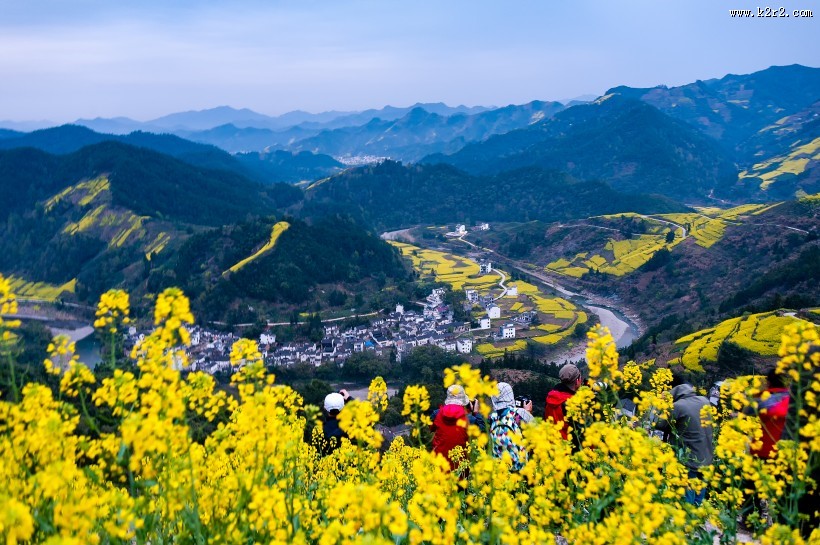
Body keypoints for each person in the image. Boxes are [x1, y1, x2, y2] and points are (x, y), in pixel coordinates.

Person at [657, 375, 714, 506]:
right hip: (707, 457)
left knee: (686, 500)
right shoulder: (704, 401)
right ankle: (697, 518)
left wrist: (662, 404)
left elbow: (659, 424)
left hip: (690, 460)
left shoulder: (677, 406)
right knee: (699, 495)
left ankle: (687, 522)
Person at [430, 384, 486, 471]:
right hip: (461, 470)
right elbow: (482, 429)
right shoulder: (469, 419)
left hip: (439, 469)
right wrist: (475, 412)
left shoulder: (436, 414)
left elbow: (430, 428)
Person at [489, 382, 533, 471]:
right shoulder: (518, 413)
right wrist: (527, 412)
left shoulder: (492, 417)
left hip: (498, 468)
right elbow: (536, 431)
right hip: (518, 468)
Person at [544, 363, 583, 440]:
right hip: (569, 447)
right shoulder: (572, 403)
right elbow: (581, 432)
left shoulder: (550, 397)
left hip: (552, 446)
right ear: (577, 381)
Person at [318, 389, 352, 455]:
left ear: (325, 408)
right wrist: (349, 398)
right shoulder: (350, 427)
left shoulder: (320, 430)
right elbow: (364, 414)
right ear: (343, 407)